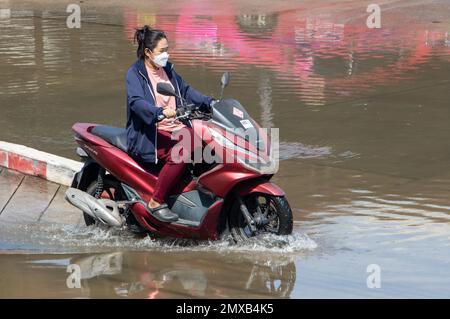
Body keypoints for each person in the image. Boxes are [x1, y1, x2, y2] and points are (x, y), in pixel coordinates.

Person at [125, 25, 215, 222]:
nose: (166, 54)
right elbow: (136, 103)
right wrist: (159, 112)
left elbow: (186, 91)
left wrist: (209, 102)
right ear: (148, 52)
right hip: (150, 134)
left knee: (210, 142)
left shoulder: (167, 69)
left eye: (167, 49)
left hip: (175, 127)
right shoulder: (135, 74)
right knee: (184, 148)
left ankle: (197, 194)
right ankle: (156, 202)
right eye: (162, 51)